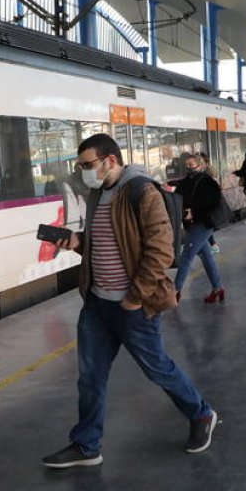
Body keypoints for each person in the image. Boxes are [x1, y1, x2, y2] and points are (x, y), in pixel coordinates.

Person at [41, 134, 217, 469]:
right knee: (90, 376)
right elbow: (107, 242)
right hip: (96, 304)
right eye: (80, 166)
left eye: (87, 165)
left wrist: (135, 297)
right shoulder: (98, 193)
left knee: (157, 369)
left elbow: (161, 249)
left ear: (109, 160)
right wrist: (78, 242)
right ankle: (87, 444)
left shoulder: (141, 191)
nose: (83, 172)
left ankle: (201, 413)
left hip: (132, 305)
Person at [172, 153, 227, 303]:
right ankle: (218, 288)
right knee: (206, 257)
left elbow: (213, 203)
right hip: (191, 224)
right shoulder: (187, 181)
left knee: (186, 257)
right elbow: (179, 191)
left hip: (203, 223)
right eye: (187, 165)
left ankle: (174, 291)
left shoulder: (208, 182)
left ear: (200, 165)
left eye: (192, 165)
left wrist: (194, 212)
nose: (189, 168)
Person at [197, 152, 221, 253]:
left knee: (206, 225)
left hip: (208, 204)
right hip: (206, 203)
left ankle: (212, 245)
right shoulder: (205, 172)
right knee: (205, 225)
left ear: (205, 162)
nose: (199, 163)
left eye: (200, 161)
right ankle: (210, 245)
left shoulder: (207, 173)